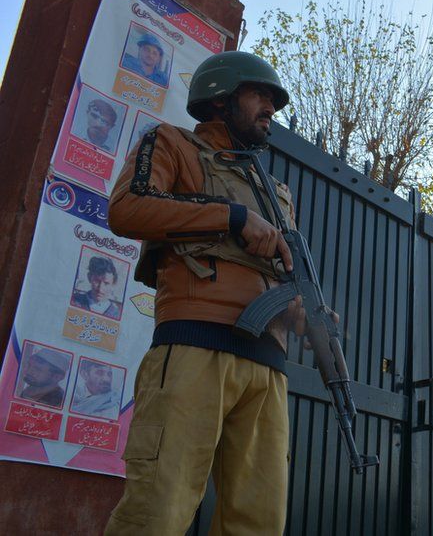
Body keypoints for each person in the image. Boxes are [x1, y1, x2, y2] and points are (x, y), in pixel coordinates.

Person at [105, 51, 314, 535]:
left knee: (258, 524)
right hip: (196, 347)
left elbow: (284, 269)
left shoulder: (276, 191)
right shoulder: (172, 144)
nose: (270, 108)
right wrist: (231, 216)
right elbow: (127, 208)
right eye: (259, 95)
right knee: (157, 512)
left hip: (268, 367)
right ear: (221, 98)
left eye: (273, 101)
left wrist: (298, 308)